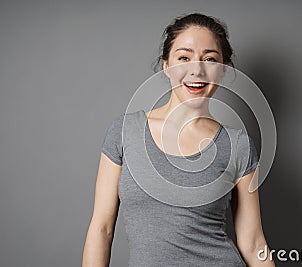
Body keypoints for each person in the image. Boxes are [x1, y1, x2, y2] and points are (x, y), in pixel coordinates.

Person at [82, 13, 275, 266]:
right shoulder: (125, 131)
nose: (197, 69)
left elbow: (253, 242)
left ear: (222, 71)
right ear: (166, 66)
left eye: (210, 59)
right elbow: (101, 230)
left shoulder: (238, 146)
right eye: (184, 57)